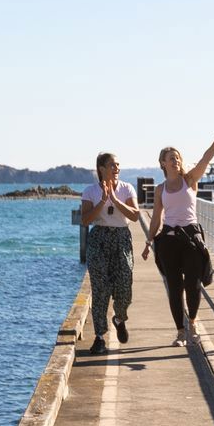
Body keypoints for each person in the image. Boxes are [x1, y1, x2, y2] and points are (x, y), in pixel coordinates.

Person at [140, 131, 214, 347]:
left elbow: (205, 159)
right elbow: (156, 218)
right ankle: (180, 332)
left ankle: (192, 323)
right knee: (174, 287)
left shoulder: (189, 180)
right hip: (169, 240)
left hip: (191, 239)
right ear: (163, 163)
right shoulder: (160, 189)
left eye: (178, 158)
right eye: (171, 158)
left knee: (193, 284)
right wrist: (149, 242)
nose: (176, 161)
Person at [78, 152, 143, 355]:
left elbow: (135, 215)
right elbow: (85, 220)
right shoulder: (90, 191)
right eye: (112, 165)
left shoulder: (126, 188)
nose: (116, 168)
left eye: (118, 165)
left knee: (124, 284)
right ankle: (99, 337)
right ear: (102, 169)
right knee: (100, 288)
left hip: (121, 238)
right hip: (99, 239)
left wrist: (114, 199)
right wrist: (102, 201)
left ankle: (119, 318)